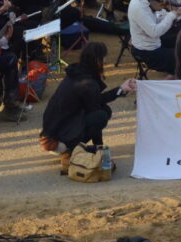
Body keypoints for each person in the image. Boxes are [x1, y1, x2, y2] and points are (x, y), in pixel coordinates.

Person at [40, 42, 137, 174]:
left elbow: (95, 100)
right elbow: (95, 110)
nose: (105, 60)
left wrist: (120, 90)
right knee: (102, 115)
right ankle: (71, 149)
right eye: (104, 58)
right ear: (98, 60)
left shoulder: (77, 73)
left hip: (51, 135)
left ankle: (74, 147)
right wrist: (100, 149)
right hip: (58, 141)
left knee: (103, 110)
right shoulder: (87, 83)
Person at [127, 0, 181, 75]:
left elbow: (153, 20)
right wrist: (171, 16)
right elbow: (154, 32)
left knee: (180, 40)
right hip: (148, 52)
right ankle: (176, 79)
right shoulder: (138, 7)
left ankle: (174, 75)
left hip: (154, 43)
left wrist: (169, 15)